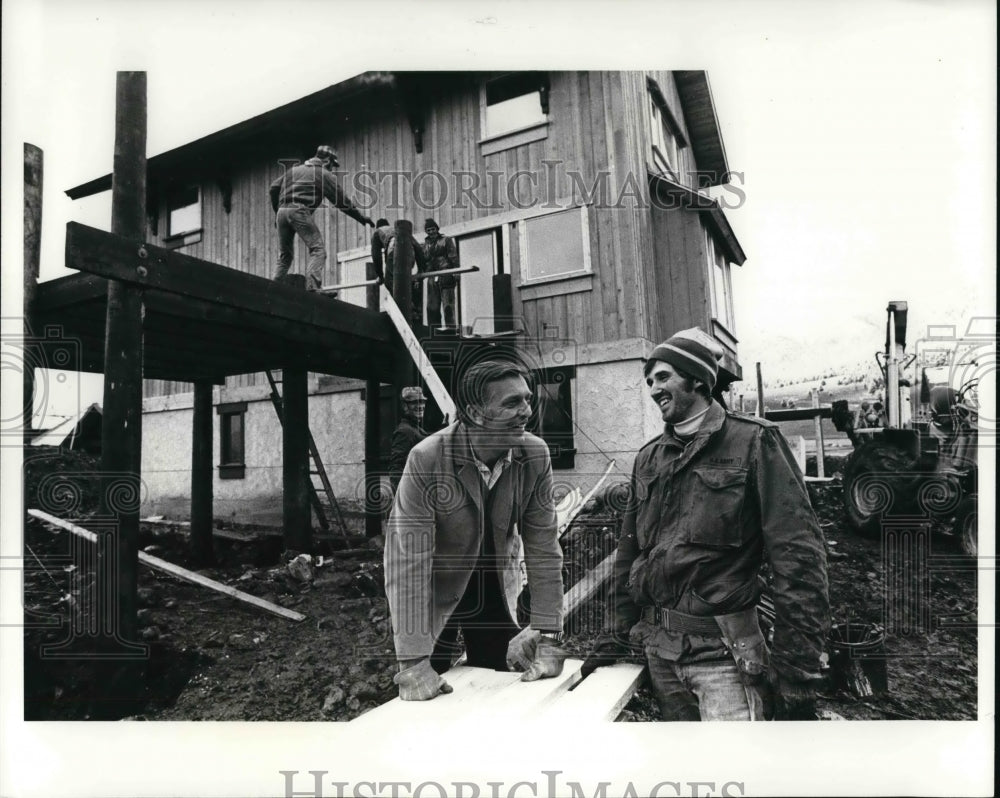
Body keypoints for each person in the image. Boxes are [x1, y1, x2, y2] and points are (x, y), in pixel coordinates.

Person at [582, 327, 830, 721]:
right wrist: (615, 632)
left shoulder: (754, 442)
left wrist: (797, 665)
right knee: (685, 773)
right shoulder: (648, 458)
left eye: (663, 377)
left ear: (698, 379)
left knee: (732, 775)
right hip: (661, 654)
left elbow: (798, 557)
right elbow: (630, 553)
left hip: (725, 658)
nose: (653, 389)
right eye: (649, 381)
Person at [384, 360, 566, 700]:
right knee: (422, 692)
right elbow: (407, 562)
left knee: (503, 688)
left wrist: (549, 635)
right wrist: (412, 662)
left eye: (528, 399)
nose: (527, 411)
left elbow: (543, 546)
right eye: (512, 403)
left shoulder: (535, 454)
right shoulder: (425, 459)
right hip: (436, 588)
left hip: (494, 583)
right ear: (475, 412)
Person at [268, 145, 374, 291]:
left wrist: (277, 211)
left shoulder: (294, 170)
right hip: (298, 209)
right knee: (318, 250)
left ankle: (273, 288)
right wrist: (361, 218)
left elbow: (273, 188)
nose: (332, 168)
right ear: (326, 161)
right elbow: (341, 201)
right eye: (332, 165)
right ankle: (313, 288)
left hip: (281, 212)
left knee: (285, 255)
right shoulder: (323, 174)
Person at [371, 218, 427, 323]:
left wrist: (380, 275)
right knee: (404, 282)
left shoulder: (378, 232)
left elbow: (376, 256)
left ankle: (409, 310)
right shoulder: (400, 230)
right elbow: (418, 248)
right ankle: (414, 309)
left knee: (390, 283)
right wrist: (421, 269)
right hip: (410, 254)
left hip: (395, 253)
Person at [421, 218, 460, 329]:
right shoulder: (425, 245)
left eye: (433, 229)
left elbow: (453, 256)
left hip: (446, 274)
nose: (431, 232)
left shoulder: (446, 240)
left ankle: (451, 331)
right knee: (432, 307)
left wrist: (457, 272)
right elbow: (424, 262)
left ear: (437, 229)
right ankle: (434, 332)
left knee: (448, 305)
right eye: (428, 230)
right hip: (432, 277)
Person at [389, 386, 427, 493]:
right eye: (415, 403)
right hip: (413, 492)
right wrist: (402, 497)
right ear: (405, 406)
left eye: (422, 402)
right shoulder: (404, 431)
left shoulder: (415, 428)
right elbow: (396, 468)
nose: (420, 406)